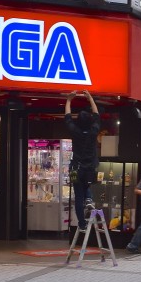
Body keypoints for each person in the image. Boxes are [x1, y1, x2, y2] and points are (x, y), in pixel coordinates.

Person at [64, 90, 100, 232]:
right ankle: (89, 199)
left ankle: (82, 224)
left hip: (75, 168)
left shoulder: (75, 131)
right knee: (87, 186)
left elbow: (67, 117)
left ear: (78, 121)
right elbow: (97, 115)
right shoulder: (94, 131)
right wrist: (90, 98)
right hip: (90, 167)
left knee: (77, 195)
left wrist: (68, 100)